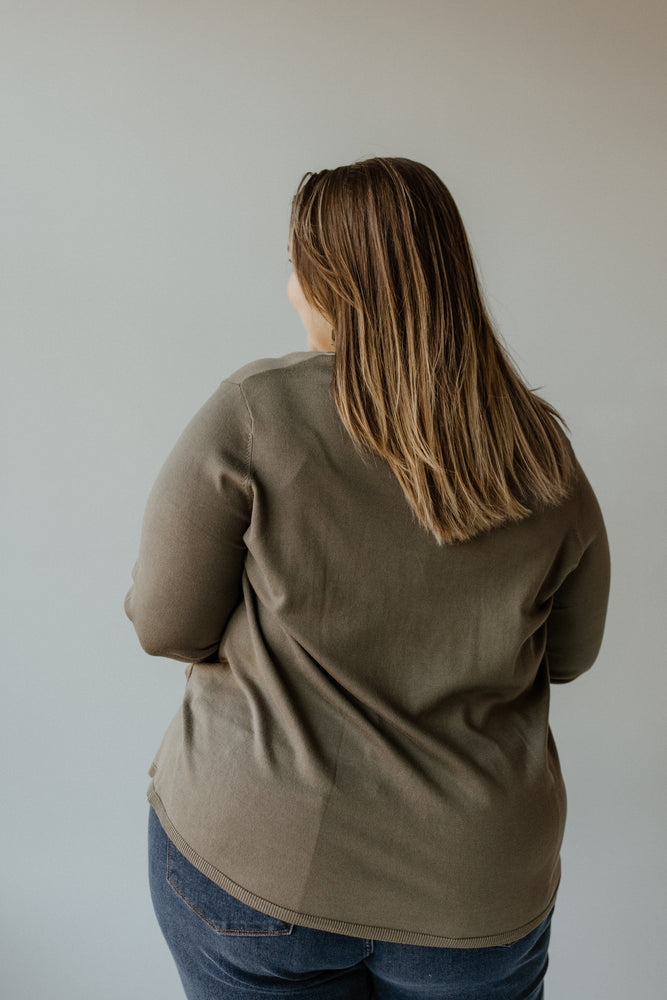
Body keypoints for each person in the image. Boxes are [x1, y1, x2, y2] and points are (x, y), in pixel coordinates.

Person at [125, 157, 610, 999]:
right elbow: (567, 655)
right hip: (472, 889)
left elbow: (165, 625)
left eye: (294, 265)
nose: (288, 290)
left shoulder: (254, 412)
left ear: (337, 280)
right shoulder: (542, 452)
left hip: (260, 863)